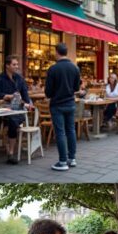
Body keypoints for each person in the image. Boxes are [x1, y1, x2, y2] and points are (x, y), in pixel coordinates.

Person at [44, 43, 80, 171]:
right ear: (66, 52)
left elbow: (48, 92)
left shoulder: (53, 69)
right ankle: (72, 158)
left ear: (57, 52)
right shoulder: (75, 68)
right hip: (70, 103)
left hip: (57, 105)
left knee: (60, 133)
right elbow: (76, 88)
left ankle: (63, 161)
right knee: (71, 131)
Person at [0, 55, 33, 164]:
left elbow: (25, 95)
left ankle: (10, 152)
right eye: (14, 64)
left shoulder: (19, 78)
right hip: (3, 108)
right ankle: (10, 151)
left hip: (18, 109)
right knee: (12, 120)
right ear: (7, 65)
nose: (17, 66)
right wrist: (8, 96)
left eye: (17, 64)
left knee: (13, 120)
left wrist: (28, 103)